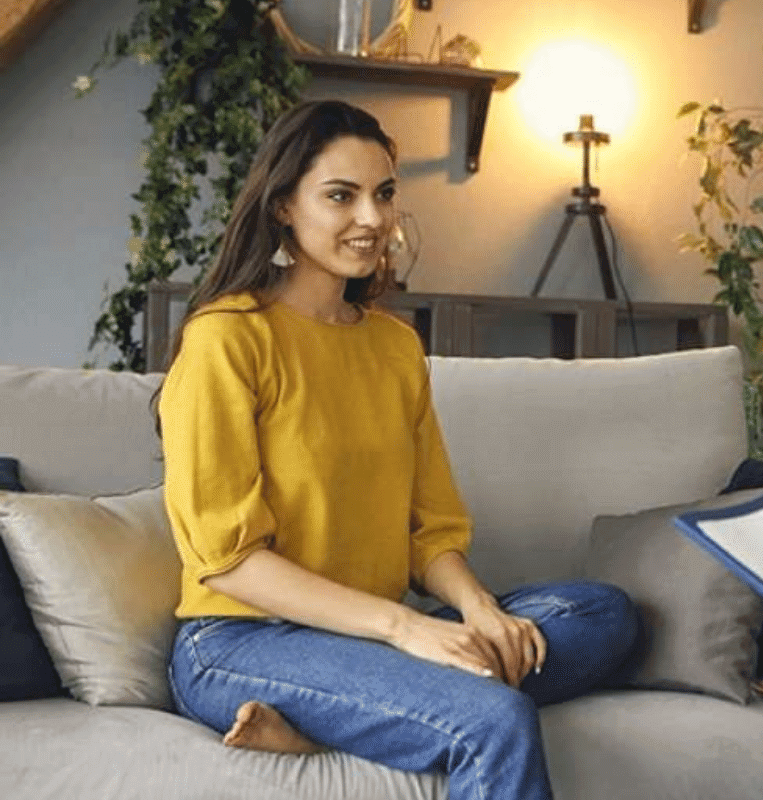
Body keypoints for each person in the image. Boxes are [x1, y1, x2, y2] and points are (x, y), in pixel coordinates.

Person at [157, 100, 638, 800]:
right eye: (340, 196)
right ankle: (378, 706)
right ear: (284, 205)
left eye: (383, 194)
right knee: (492, 719)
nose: (372, 218)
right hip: (242, 643)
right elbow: (227, 560)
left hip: (368, 642)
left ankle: (345, 718)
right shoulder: (226, 338)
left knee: (600, 614)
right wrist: (406, 628)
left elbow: (429, 534)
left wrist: (477, 607)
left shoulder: (394, 346)